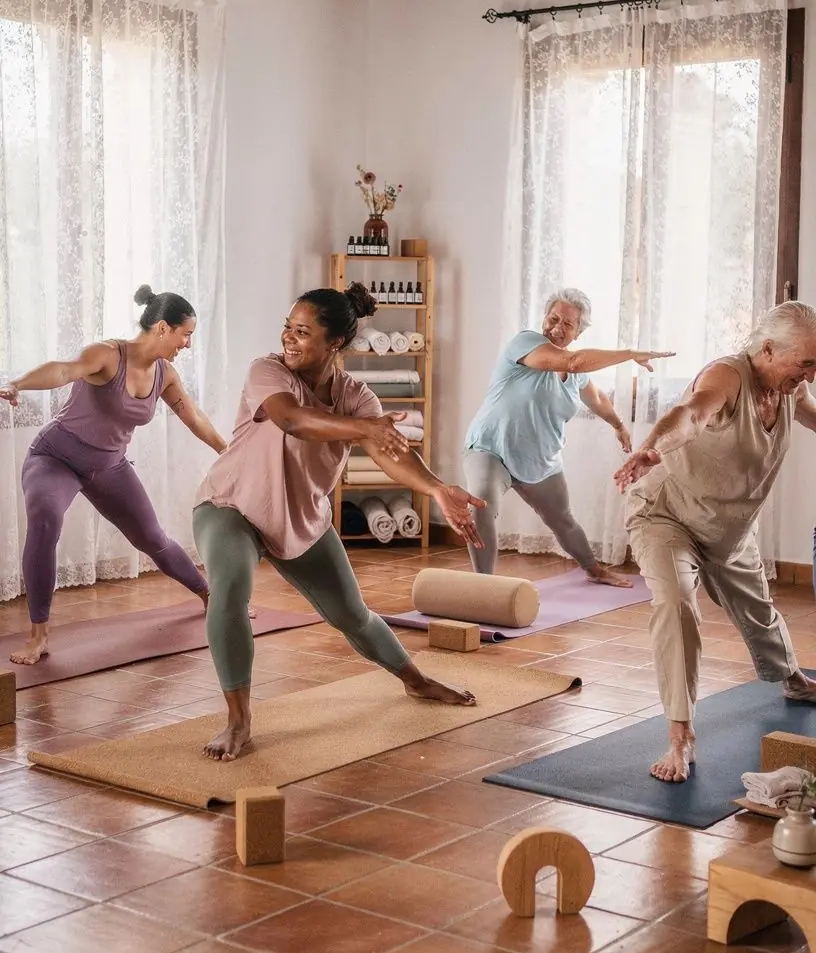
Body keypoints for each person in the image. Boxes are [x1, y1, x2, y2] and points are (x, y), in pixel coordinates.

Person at [193, 282, 486, 762]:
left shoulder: (356, 396)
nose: (289, 338)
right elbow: (294, 420)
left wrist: (436, 488)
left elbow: (391, 455)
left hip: (302, 518)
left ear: (335, 344)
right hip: (231, 506)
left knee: (351, 614)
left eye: (302, 332)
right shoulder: (267, 371)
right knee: (229, 591)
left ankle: (416, 681)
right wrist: (366, 429)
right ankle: (239, 719)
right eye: (288, 327)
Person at [615, 300, 816, 784]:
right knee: (676, 602)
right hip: (668, 512)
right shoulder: (729, 376)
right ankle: (680, 735)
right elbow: (690, 413)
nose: (812, 372)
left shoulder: (789, 389)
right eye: (806, 362)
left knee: (757, 608)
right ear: (767, 349)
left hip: (728, 523)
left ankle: (790, 677)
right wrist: (650, 449)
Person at [0, 285, 226, 667]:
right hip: (55, 457)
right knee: (45, 519)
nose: (187, 344)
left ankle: (211, 598)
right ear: (162, 328)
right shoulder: (107, 354)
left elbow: (193, 416)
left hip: (109, 467)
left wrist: (227, 451)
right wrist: (17, 383)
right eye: (185, 334)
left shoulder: (165, 374)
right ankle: (38, 635)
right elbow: (63, 369)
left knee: (153, 538)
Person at [463, 288, 674, 584]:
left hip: (539, 458)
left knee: (562, 520)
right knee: (482, 504)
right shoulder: (525, 343)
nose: (556, 328)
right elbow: (571, 361)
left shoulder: (577, 372)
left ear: (578, 332)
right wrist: (629, 354)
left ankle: (595, 570)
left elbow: (596, 398)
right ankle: (483, 586)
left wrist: (618, 425)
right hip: (491, 448)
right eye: (553, 319)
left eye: (567, 324)